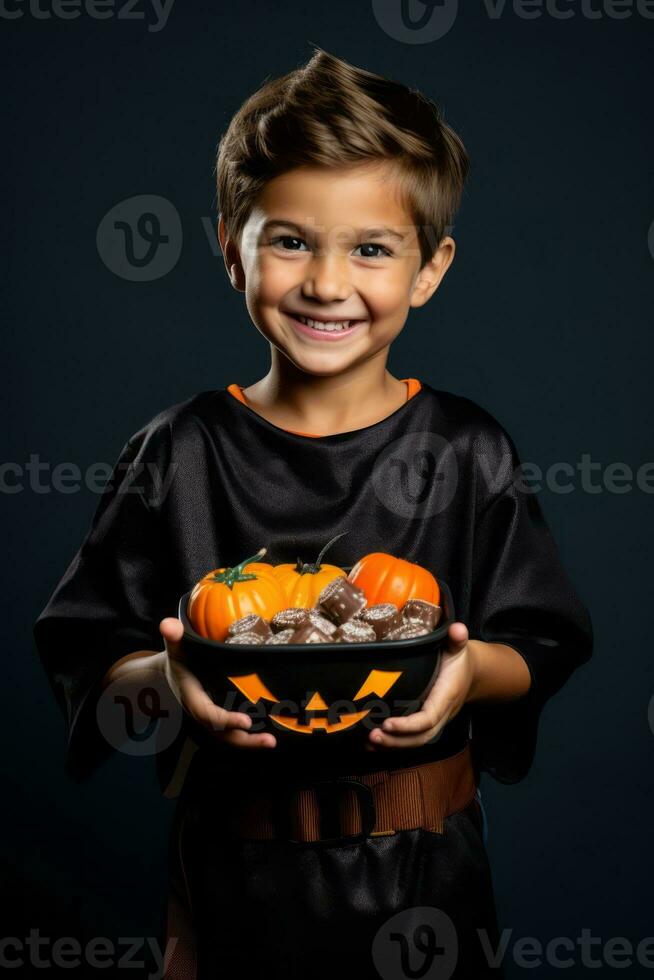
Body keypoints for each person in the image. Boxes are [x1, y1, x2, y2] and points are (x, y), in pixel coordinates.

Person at [33, 47, 593, 979]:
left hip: (425, 876)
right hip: (234, 873)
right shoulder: (178, 453)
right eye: (289, 240)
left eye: (371, 249)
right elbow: (89, 655)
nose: (327, 284)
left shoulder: (464, 451)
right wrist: (168, 686)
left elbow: (541, 643)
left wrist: (464, 675)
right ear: (229, 246)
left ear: (429, 269)